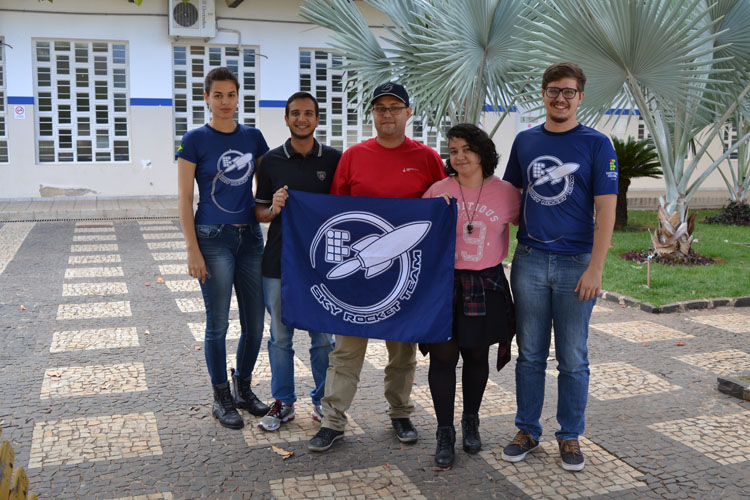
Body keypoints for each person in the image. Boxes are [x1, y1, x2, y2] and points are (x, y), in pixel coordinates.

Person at [308, 82, 446, 451]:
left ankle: (401, 413)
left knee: (402, 353)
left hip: (404, 278)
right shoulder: (353, 157)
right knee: (346, 352)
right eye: (380, 108)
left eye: (395, 107)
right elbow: (335, 214)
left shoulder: (428, 158)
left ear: (408, 113)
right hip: (358, 282)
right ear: (373, 114)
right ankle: (333, 420)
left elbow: (441, 214)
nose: (387, 114)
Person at [500, 62, 617, 471]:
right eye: (553, 90)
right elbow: (509, 196)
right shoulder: (526, 141)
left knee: (573, 356)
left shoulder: (597, 144)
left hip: (576, 265)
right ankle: (528, 429)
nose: (560, 98)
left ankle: (569, 434)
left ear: (580, 97)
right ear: (544, 94)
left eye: (568, 92)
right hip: (529, 261)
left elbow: (607, 211)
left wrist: (596, 269)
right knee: (529, 354)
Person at [421, 123, 521, 468]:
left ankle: (471, 422)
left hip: (487, 283)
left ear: (482, 152)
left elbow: (535, 226)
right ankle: (444, 432)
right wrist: (437, 213)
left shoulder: (506, 192)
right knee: (443, 357)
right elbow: (419, 238)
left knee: (477, 357)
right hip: (445, 284)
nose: (459, 156)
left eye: (466, 149)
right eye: (452, 151)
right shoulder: (437, 190)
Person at [177, 67, 270, 430]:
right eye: (218, 95)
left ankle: (243, 389)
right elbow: (185, 198)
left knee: (255, 322)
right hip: (212, 237)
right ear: (206, 98)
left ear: (238, 97)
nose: (225, 102)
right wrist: (191, 249)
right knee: (217, 323)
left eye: (231, 95)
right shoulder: (195, 139)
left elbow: (264, 191)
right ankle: (221, 397)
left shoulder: (253, 138)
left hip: (249, 239)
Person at [254, 92, 340, 432]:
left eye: (308, 114)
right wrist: (273, 208)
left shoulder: (335, 159)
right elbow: (259, 211)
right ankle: (283, 402)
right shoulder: (271, 162)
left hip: (321, 264)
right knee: (279, 336)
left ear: (318, 119)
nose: (301, 119)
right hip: (278, 261)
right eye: (295, 114)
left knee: (322, 338)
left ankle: (322, 399)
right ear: (286, 119)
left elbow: (347, 208)